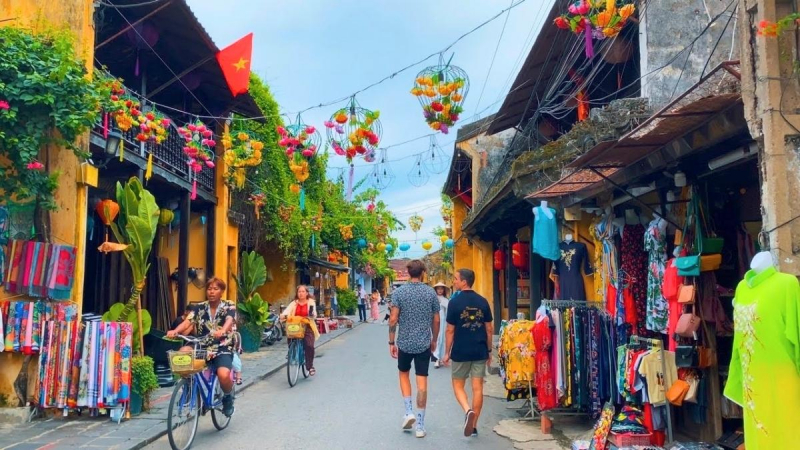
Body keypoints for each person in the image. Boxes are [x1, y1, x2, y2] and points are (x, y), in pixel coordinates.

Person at [167, 277, 237, 417]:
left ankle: (228, 397)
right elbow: (187, 322)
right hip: (201, 344)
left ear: (222, 291)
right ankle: (189, 386)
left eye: (215, 289)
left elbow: (229, 320)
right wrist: (176, 331)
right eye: (209, 289)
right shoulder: (199, 307)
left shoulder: (229, 305)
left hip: (221, 346)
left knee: (223, 374)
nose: (211, 292)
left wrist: (223, 330)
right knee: (183, 353)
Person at [389, 260, 440, 439]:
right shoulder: (430, 293)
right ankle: (420, 425)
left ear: (408, 272)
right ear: (423, 272)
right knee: (422, 382)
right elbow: (437, 320)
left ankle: (409, 411)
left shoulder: (400, 292)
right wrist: (434, 340)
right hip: (423, 343)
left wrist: (391, 342)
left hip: (404, 343)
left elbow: (393, 318)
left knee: (403, 374)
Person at [443, 268, 494, 437]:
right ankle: (474, 426)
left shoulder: (454, 303)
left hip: (460, 350)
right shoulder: (483, 301)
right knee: (477, 387)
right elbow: (489, 329)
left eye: (456, 279)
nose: (454, 281)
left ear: (464, 282)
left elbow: (450, 330)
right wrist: (489, 350)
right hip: (479, 350)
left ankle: (467, 411)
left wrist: (447, 352)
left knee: (458, 385)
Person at [280, 285, 319, 376]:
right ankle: (292, 352)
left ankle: (310, 366)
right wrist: (283, 315)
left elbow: (313, 313)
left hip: (307, 326)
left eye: (303, 291)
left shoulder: (311, 302)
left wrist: (312, 315)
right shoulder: (294, 303)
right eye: (299, 292)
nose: (301, 293)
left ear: (306, 293)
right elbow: (287, 311)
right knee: (290, 336)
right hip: (295, 325)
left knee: (309, 345)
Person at [431, 282, 450, 368]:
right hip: (434, 320)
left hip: (443, 320)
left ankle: (440, 358)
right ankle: (436, 358)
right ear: (435, 290)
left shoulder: (446, 300)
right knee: (436, 338)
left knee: (442, 338)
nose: (440, 290)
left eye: (441, 288)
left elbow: (448, 311)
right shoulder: (432, 299)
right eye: (438, 289)